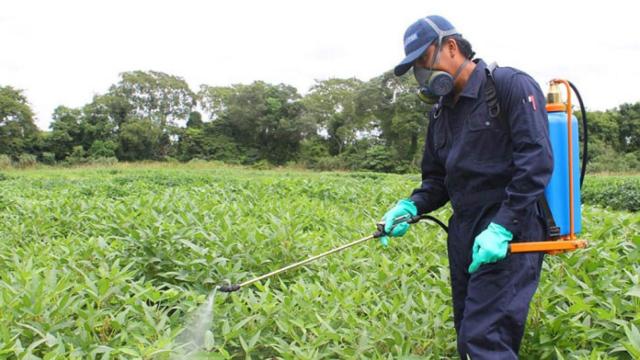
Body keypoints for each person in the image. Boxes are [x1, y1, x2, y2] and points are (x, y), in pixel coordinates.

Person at [380, 15, 554, 359]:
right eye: (415, 66)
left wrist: (503, 227)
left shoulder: (508, 86)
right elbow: (437, 179)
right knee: (470, 335)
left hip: (510, 229)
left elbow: (536, 163)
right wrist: (412, 205)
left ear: (452, 47)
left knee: (482, 340)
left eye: (423, 60)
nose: (421, 73)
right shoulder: (441, 112)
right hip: (464, 232)